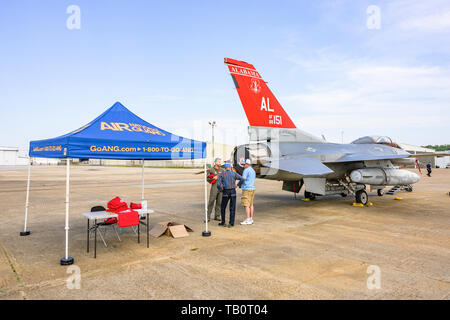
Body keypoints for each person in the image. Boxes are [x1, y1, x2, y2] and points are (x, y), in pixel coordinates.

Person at [217, 163, 243, 228]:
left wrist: (221, 190)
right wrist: (238, 185)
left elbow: (218, 184)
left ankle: (223, 222)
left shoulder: (222, 174)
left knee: (223, 207)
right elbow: (242, 179)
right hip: (233, 192)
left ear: (224, 168)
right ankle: (231, 223)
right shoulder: (233, 173)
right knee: (232, 208)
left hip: (225, 191)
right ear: (230, 167)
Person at [240, 159, 256, 225]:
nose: (243, 165)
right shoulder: (253, 170)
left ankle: (248, 219)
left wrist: (238, 185)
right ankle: (251, 218)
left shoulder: (246, 170)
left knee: (246, 205)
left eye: (244, 164)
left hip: (246, 189)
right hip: (252, 188)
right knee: (251, 205)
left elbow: (243, 179)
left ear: (247, 164)